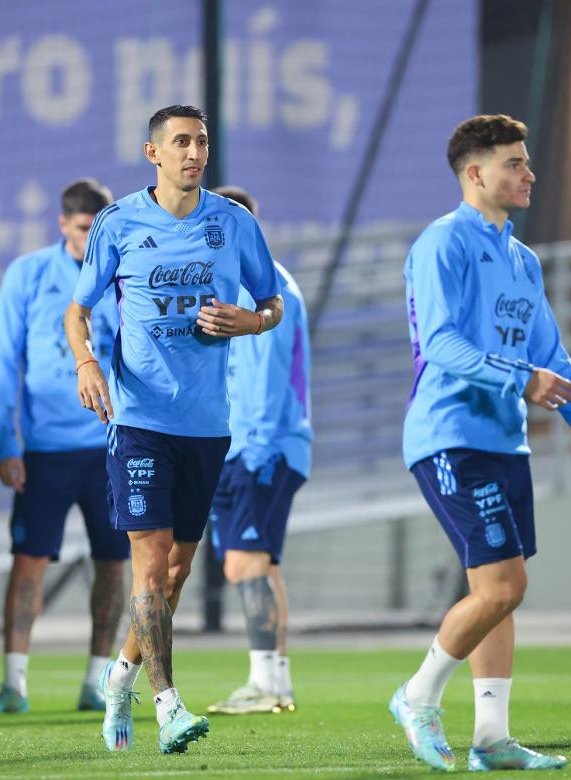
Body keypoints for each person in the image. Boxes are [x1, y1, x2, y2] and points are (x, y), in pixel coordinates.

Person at [393, 114, 571, 772]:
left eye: (527, 162)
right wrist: (520, 378)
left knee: (498, 592)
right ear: (475, 173)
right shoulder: (442, 244)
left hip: (505, 443)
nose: (528, 173)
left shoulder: (522, 259)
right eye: (514, 162)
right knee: (505, 586)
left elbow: (550, 356)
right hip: (450, 435)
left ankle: (490, 739)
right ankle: (417, 696)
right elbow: (442, 344)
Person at [64, 105, 283, 755]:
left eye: (203, 141)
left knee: (178, 572)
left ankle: (121, 677)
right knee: (151, 566)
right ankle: (168, 707)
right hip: (140, 422)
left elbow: (271, 301)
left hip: (207, 426)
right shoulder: (119, 223)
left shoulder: (234, 223)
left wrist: (254, 321)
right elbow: (78, 311)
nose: (194, 152)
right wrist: (86, 364)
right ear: (152, 153)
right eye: (181, 142)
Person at [0, 178, 129, 715]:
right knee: (28, 561)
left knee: (114, 563)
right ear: (64, 224)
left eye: (101, 229)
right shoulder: (30, 274)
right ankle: (14, 684)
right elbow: (5, 361)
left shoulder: (125, 276)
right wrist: (4, 439)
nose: (93, 239)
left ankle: (96, 681)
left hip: (112, 447)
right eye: (86, 228)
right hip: (45, 449)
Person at [203, 185, 310, 716]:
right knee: (256, 564)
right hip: (239, 447)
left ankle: (267, 682)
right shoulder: (234, 287)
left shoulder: (267, 293)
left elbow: (267, 382)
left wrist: (258, 452)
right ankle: (274, 682)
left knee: (248, 560)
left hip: (260, 447)